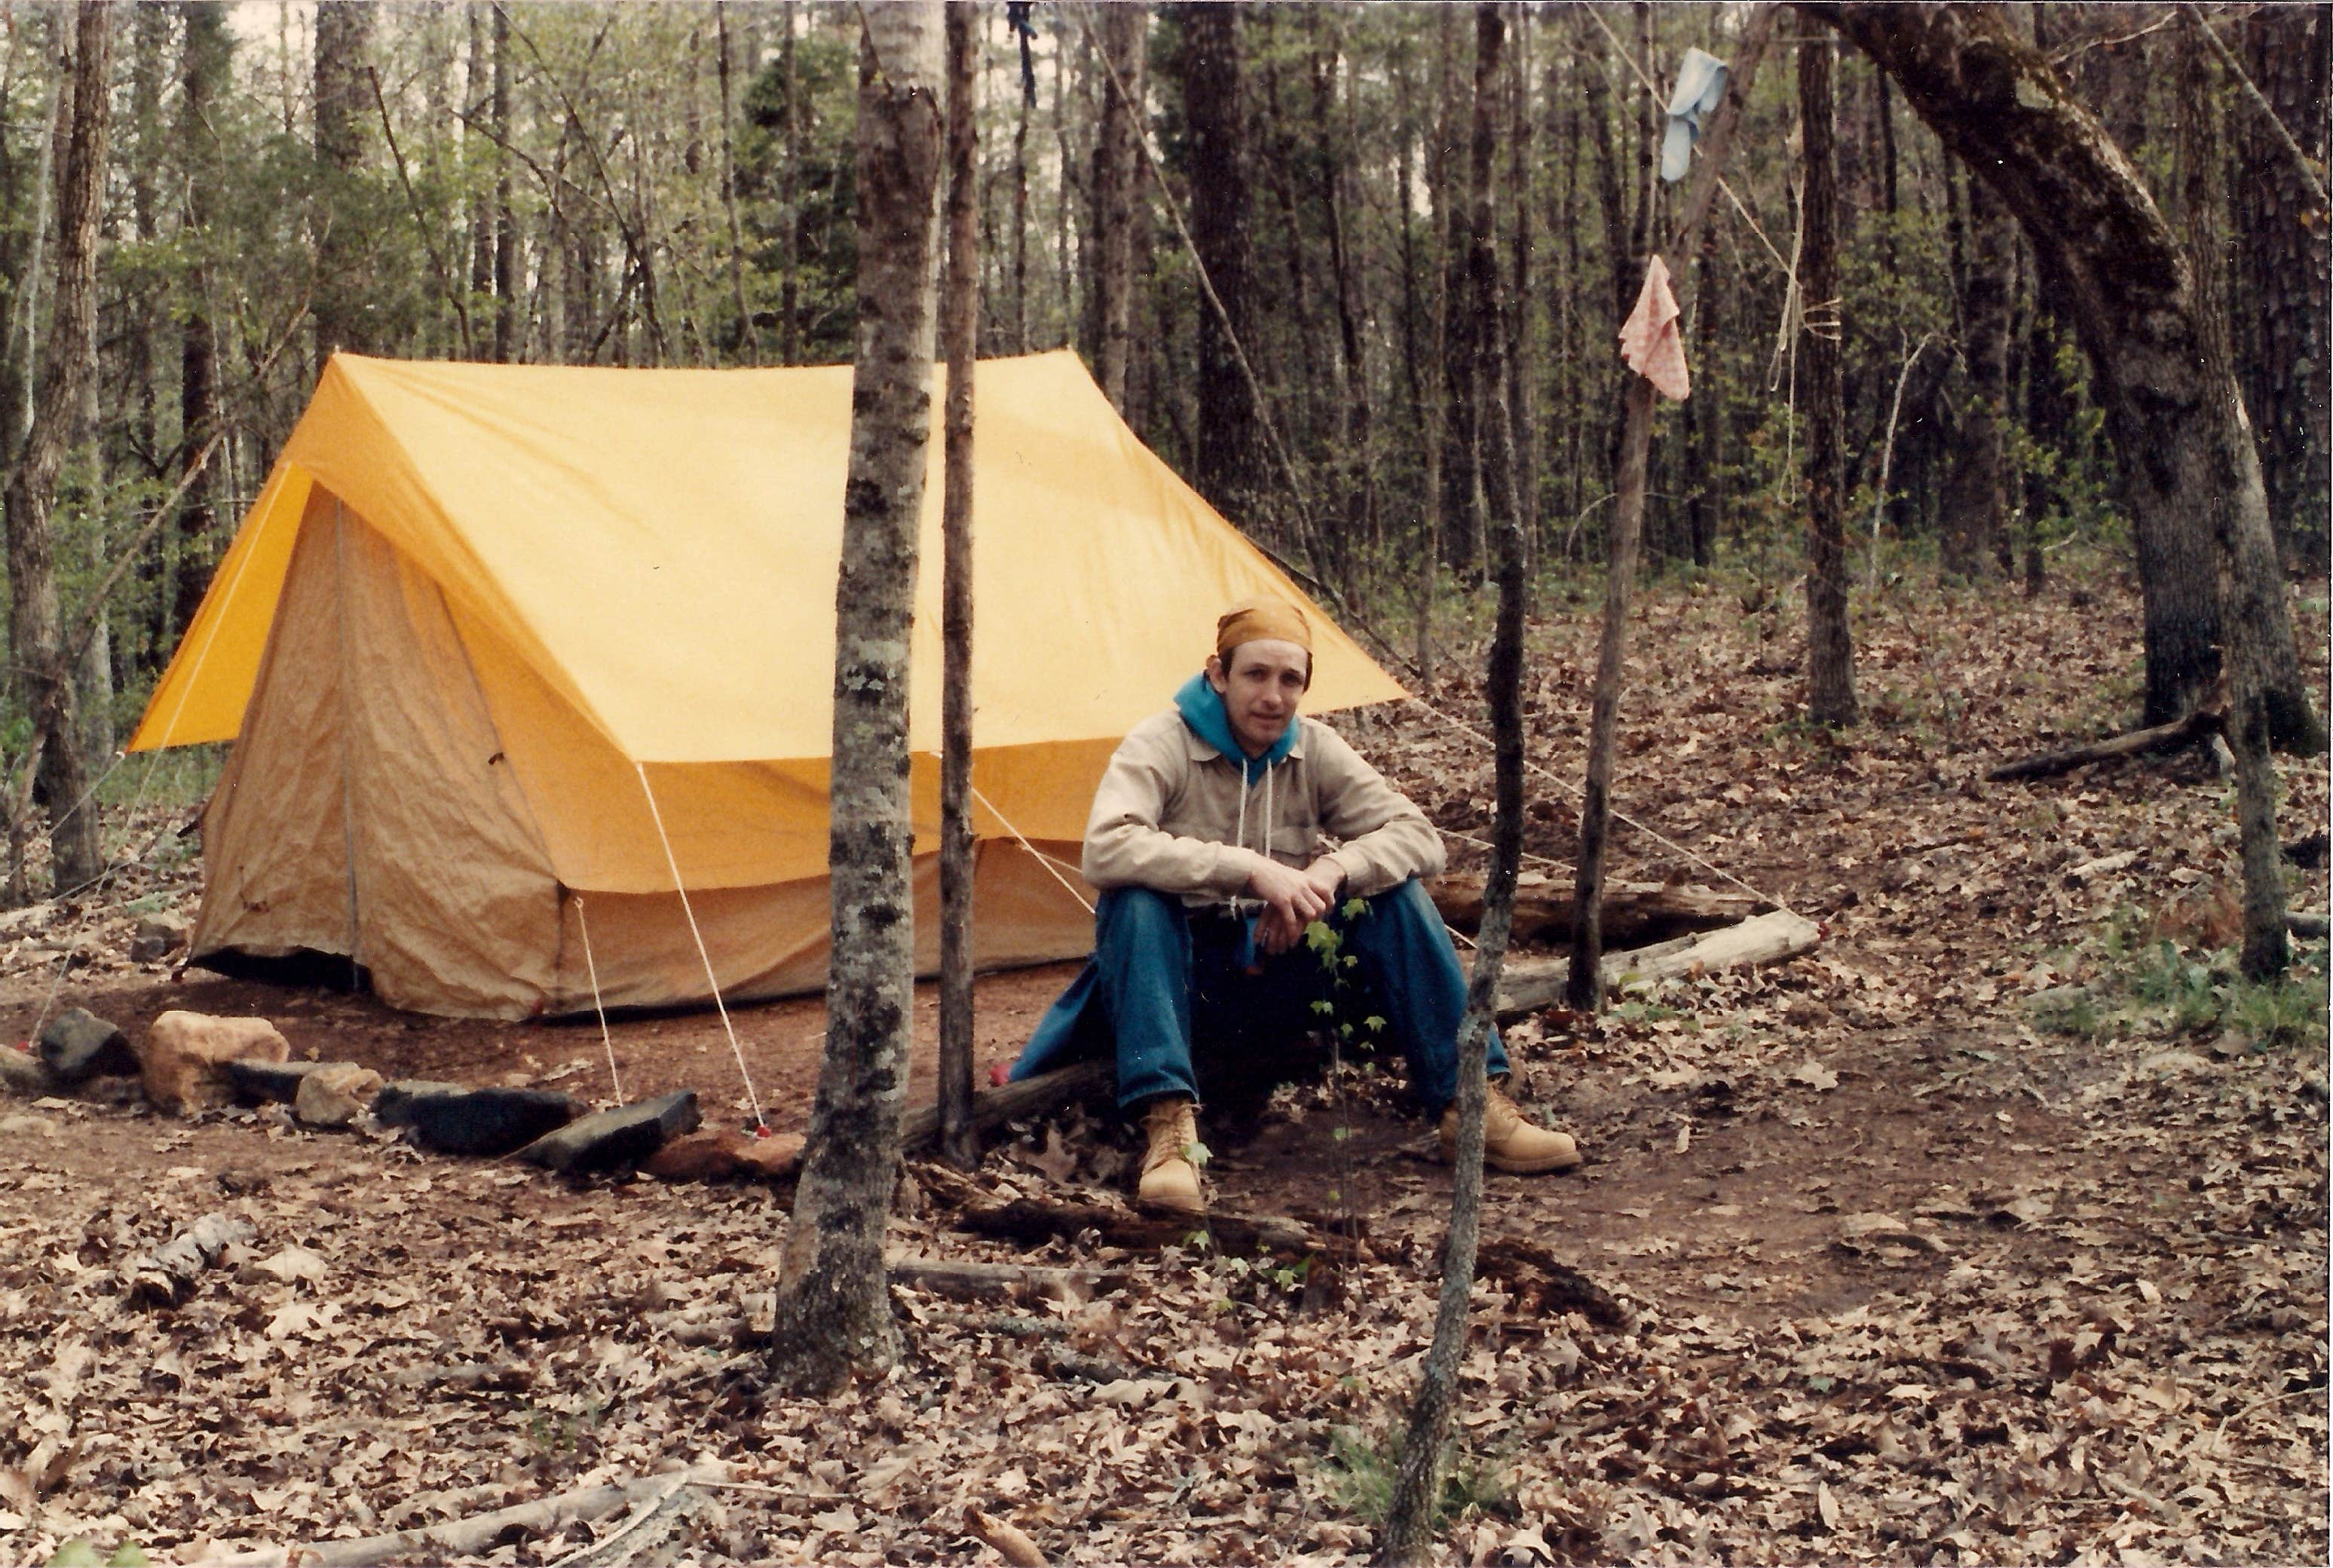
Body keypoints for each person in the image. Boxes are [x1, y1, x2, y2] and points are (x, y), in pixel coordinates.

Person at [1009, 596, 1579, 1214]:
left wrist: (1331, 872)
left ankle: (1471, 1107)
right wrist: (1253, 871)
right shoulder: (1160, 742)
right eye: (1255, 675)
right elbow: (1107, 849)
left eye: (1290, 680)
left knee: (1395, 895)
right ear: (1218, 674)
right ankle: (1169, 1131)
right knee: (1135, 901)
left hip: (1277, 969)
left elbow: (1417, 837)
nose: (1273, 697)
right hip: (1178, 983)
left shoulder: (1312, 747)